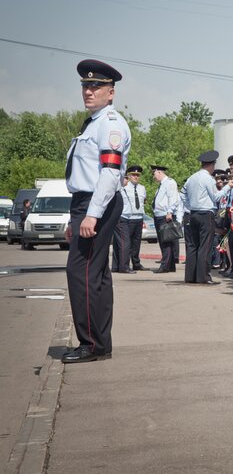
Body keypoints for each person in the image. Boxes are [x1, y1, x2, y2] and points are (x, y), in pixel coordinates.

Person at [63, 59, 130, 364]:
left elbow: (109, 173)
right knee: (96, 274)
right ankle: (99, 342)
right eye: (85, 86)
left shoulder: (110, 124)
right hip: (86, 203)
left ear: (111, 92)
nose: (89, 91)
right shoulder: (92, 122)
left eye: (96, 86)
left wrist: (91, 214)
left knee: (82, 273)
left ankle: (91, 342)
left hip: (98, 202)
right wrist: (74, 215)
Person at [179, 150, 222, 285]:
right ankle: (203, 277)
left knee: (192, 246)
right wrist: (226, 189)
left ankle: (190, 276)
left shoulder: (192, 177)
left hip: (193, 213)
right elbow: (215, 197)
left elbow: (182, 194)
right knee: (205, 246)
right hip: (205, 214)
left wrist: (190, 205)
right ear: (212, 165)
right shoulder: (208, 178)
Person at [151, 164, 179, 273]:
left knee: (166, 242)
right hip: (159, 215)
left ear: (159, 172)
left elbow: (173, 198)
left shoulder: (169, 183)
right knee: (165, 241)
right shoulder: (162, 184)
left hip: (165, 216)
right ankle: (170, 265)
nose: (154, 177)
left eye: (154, 174)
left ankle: (165, 266)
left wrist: (169, 212)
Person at [124, 166, 147, 271]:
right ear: (128, 176)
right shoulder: (124, 187)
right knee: (127, 243)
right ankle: (125, 263)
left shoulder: (142, 188)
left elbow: (143, 202)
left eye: (138, 175)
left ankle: (136, 263)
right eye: (133, 175)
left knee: (136, 243)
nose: (136, 177)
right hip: (129, 218)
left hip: (139, 218)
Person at [111, 176, 133, 274]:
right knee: (125, 243)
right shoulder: (117, 189)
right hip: (121, 218)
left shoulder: (122, 189)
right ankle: (124, 267)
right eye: (125, 178)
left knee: (117, 243)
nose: (127, 180)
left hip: (124, 218)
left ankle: (116, 266)